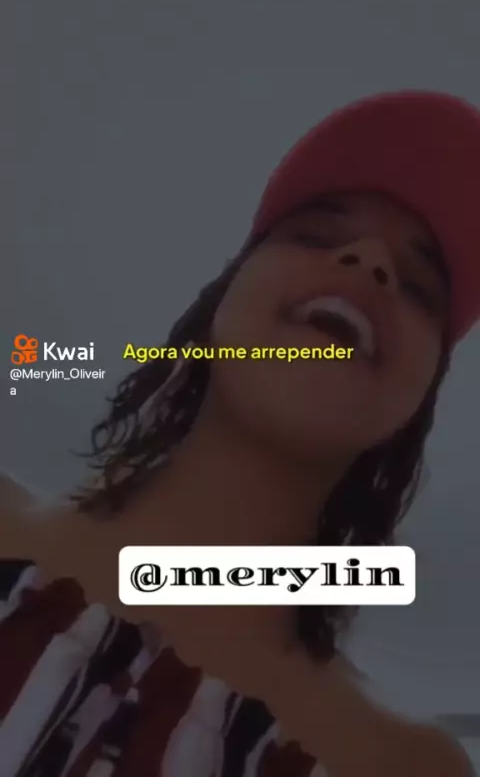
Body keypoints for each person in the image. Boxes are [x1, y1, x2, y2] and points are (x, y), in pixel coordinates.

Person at [1, 90, 479, 777]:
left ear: (419, 399)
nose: (371, 261)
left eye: (419, 288)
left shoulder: (405, 765)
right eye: (316, 236)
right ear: (217, 307)